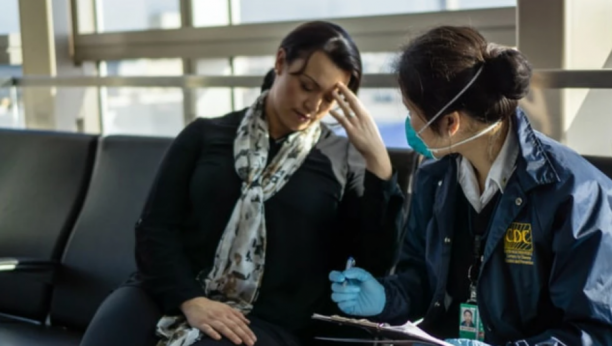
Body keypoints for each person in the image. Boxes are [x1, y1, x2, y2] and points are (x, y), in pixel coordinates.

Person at [79, 21, 405, 346]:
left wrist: (379, 164)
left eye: (329, 98)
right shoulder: (205, 134)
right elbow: (154, 228)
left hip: (266, 317)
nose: (314, 106)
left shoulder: (342, 160)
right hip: (168, 289)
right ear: (280, 62)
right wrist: (190, 300)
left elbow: (373, 262)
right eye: (307, 86)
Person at [328, 25, 612, 346]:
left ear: (451, 123)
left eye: (412, 112)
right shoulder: (434, 179)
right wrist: (385, 297)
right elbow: (420, 281)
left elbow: (595, 331)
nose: (410, 125)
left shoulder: (574, 194)